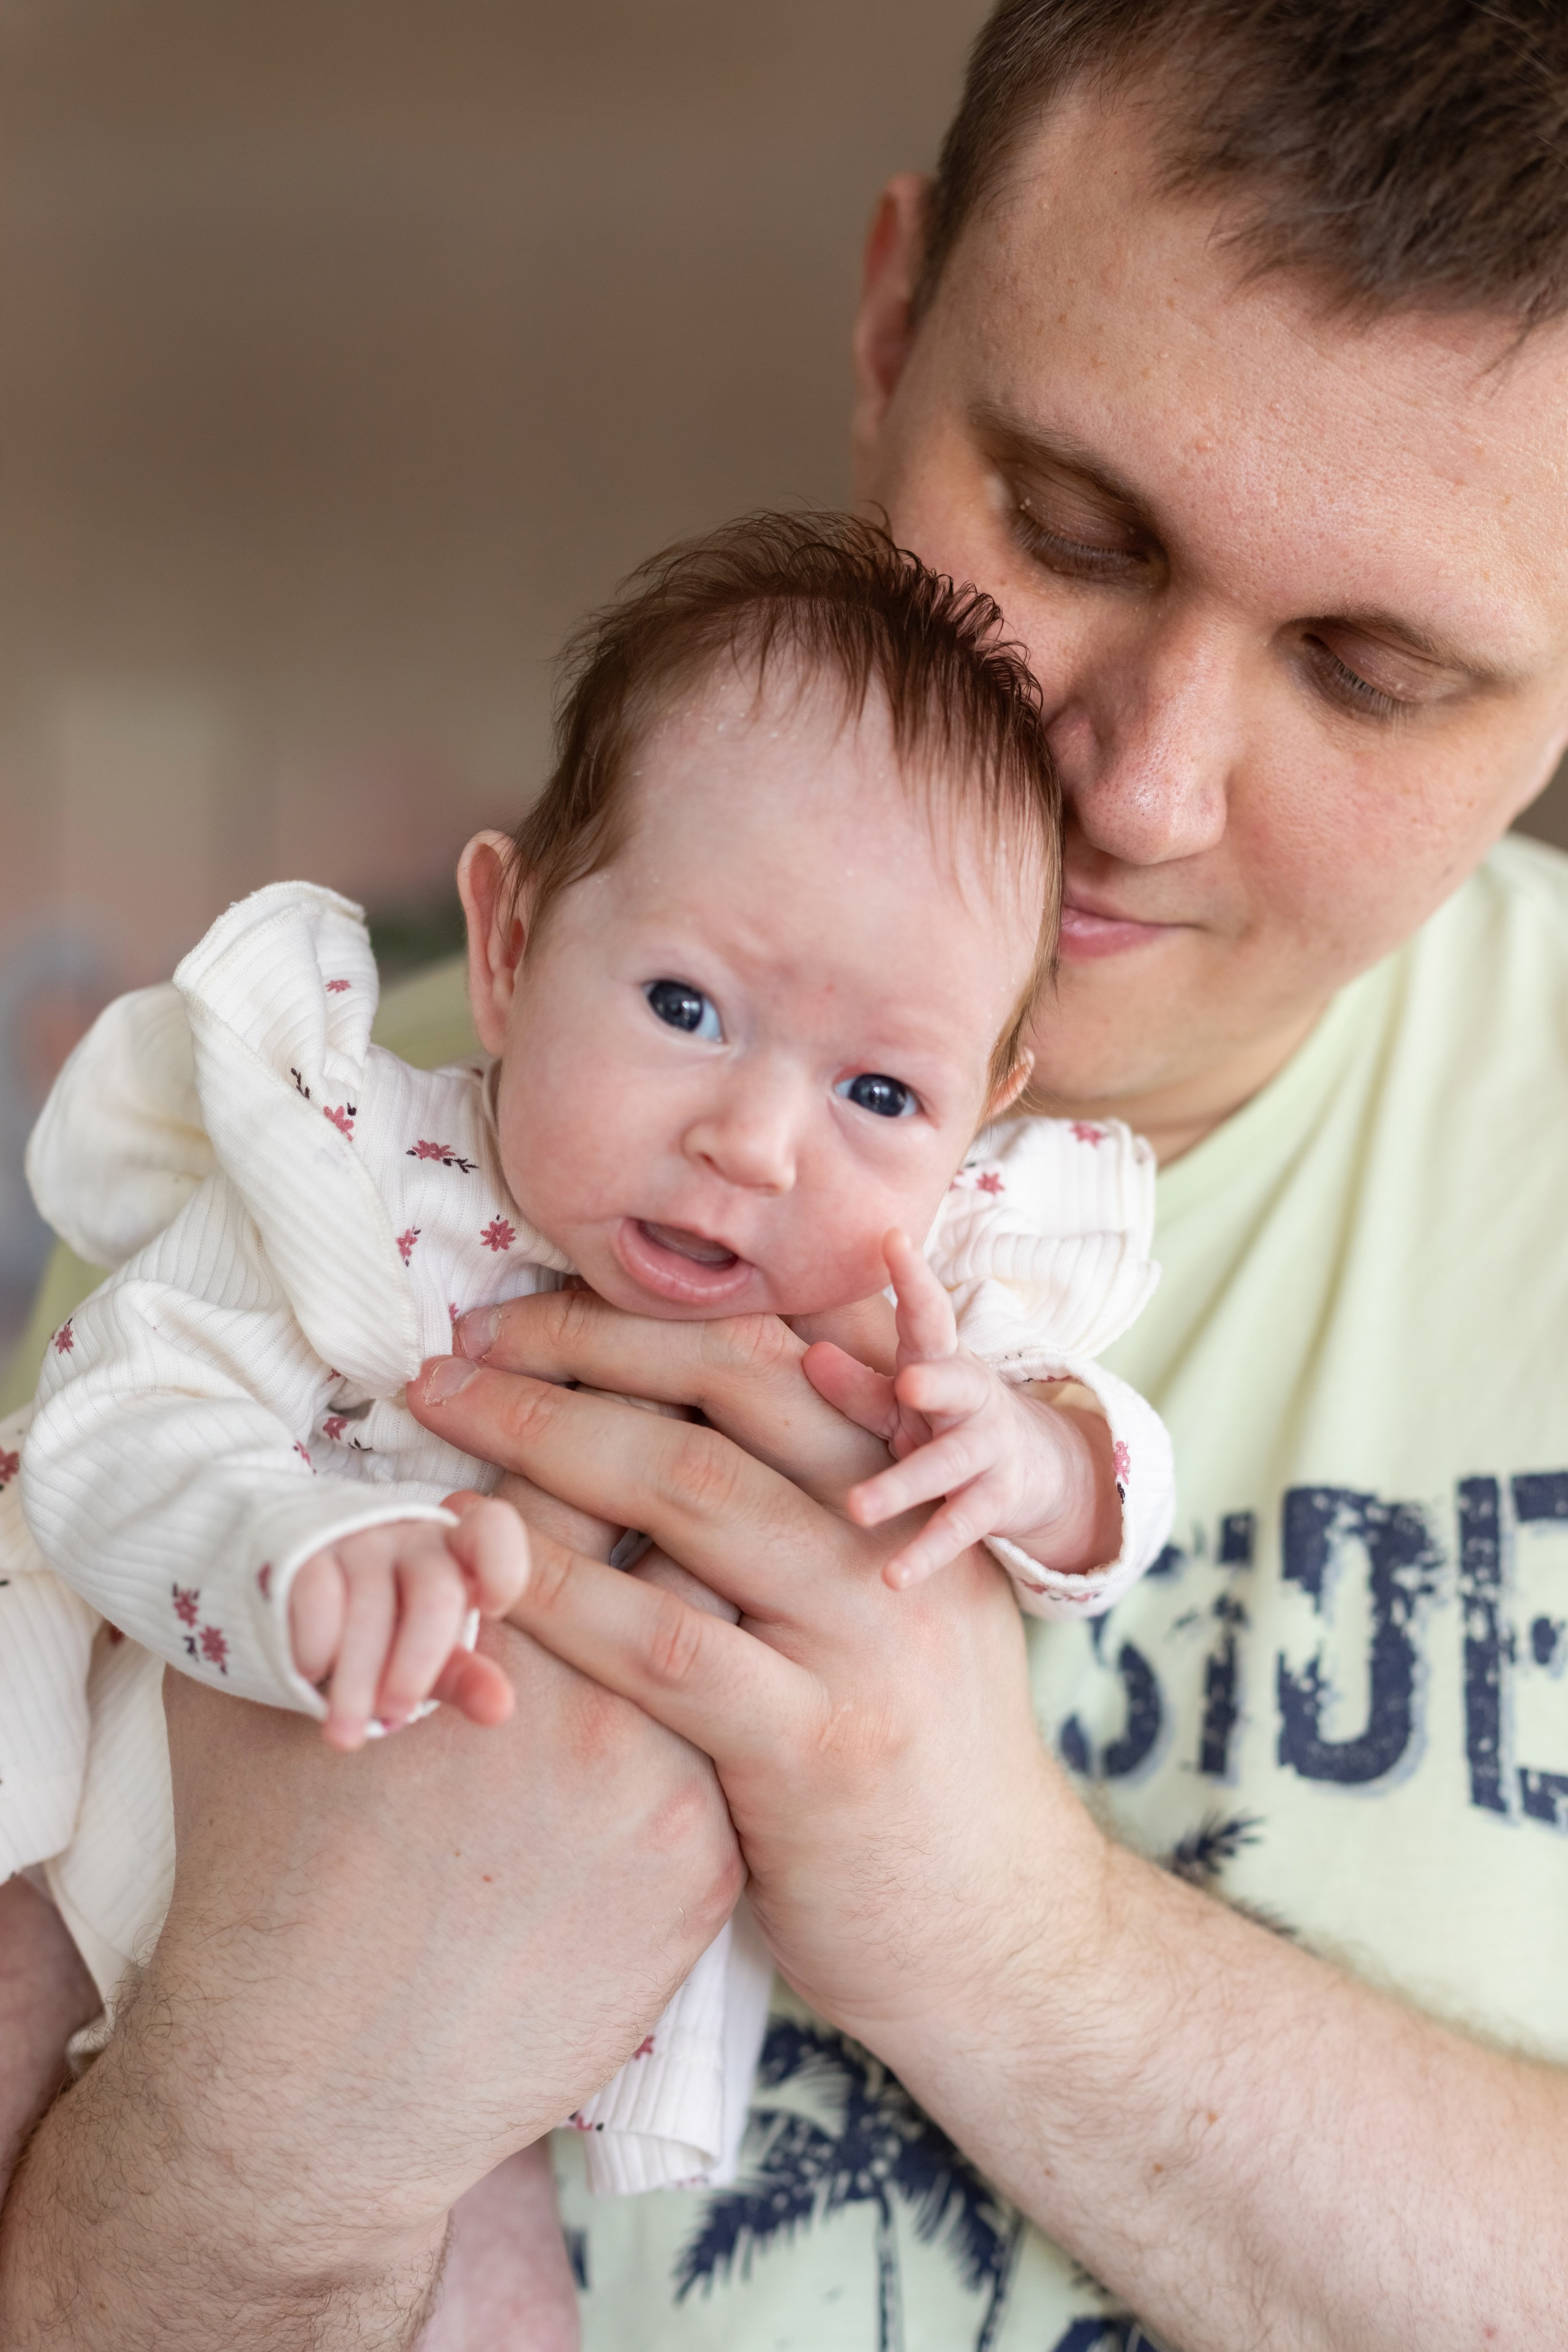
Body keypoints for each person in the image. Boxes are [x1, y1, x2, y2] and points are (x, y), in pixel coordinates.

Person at [5, 0, 1568, 2343]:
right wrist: (279, 2118)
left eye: (1372, 673)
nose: (1136, 791)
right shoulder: (313, 1163)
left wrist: (1007, 1938)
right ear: (885, 320)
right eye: (1070, 529)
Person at [5, 514, 1172, 2343]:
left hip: (502, 2059)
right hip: (92, 1871)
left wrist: (1041, 1465)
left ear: (987, 1105)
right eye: (685, 1007)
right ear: (512, 940)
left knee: (504, 2302)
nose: (759, 1143)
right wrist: (295, 1543)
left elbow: (1109, 1457)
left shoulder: (925, 1299)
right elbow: (109, 1428)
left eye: (881, 1089)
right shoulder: (355, 1172)